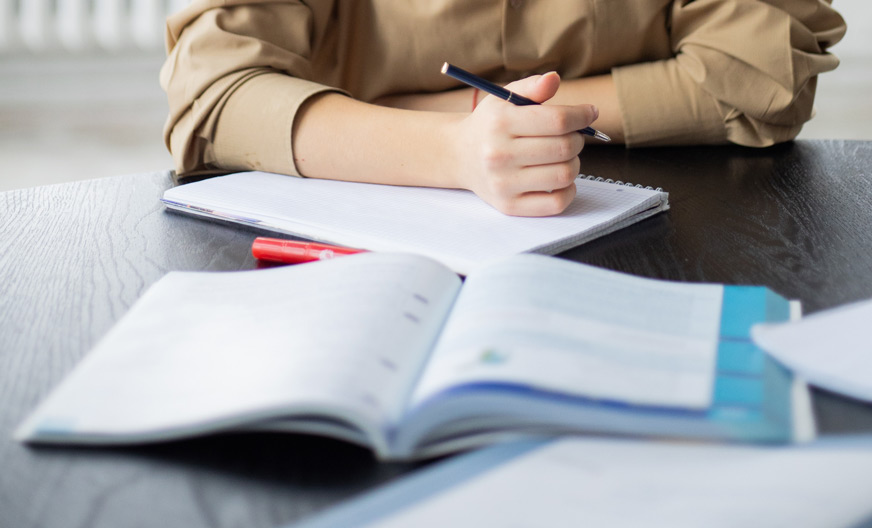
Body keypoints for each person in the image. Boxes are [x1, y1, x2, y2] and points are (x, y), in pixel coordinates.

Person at [160, 0, 845, 217]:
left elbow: (767, 71)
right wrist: (456, 149)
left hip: (664, 231)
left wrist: (437, 108)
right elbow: (215, 97)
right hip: (355, 238)